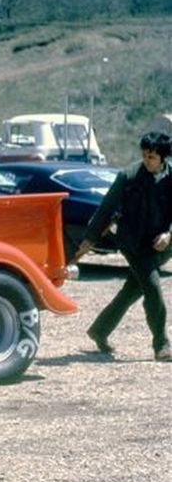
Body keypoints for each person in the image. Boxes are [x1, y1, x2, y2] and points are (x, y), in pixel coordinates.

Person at [74, 132, 172, 361]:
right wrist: (89, 239)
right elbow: (105, 209)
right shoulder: (128, 176)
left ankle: (100, 330)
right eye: (144, 155)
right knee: (152, 287)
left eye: (152, 157)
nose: (146, 160)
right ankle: (162, 344)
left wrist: (169, 234)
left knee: (133, 289)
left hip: (161, 244)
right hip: (133, 242)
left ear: (164, 158)